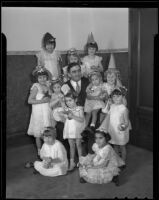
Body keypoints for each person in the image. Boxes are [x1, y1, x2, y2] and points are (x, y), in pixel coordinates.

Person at [27, 66, 53, 156]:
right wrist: (42, 101)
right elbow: (30, 100)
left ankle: (48, 148)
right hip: (38, 112)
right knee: (38, 133)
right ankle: (39, 151)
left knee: (46, 131)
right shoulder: (36, 86)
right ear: (37, 78)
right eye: (40, 77)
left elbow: (50, 97)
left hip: (46, 111)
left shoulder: (47, 85)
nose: (42, 79)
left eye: (44, 77)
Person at [98, 53, 127, 131]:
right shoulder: (103, 85)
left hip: (115, 109)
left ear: (116, 77)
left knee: (114, 124)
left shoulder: (118, 87)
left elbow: (123, 99)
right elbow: (99, 94)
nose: (110, 78)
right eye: (108, 76)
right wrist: (103, 96)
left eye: (112, 76)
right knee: (104, 124)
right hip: (105, 108)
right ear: (106, 77)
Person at [58, 92, 85, 171]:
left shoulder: (79, 108)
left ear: (75, 100)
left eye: (70, 100)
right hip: (69, 130)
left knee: (79, 145)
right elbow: (63, 106)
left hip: (77, 130)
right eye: (67, 101)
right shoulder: (67, 109)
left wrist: (72, 116)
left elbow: (81, 119)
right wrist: (62, 102)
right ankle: (72, 162)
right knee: (71, 146)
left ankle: (81, 162)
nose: (68, 103)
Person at [107, 88, 131, 164]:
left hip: (121, 131)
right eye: (114, 96)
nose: (116, 98)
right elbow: (109, 118)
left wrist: (123, 127)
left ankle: (122, 161)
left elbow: (126, 122)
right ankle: (117, 160)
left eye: (118, 96)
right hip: (113, 130)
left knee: (122, 146)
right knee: (115, 146)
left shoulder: (124, 109)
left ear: (123, 97)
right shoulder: (112, 106)